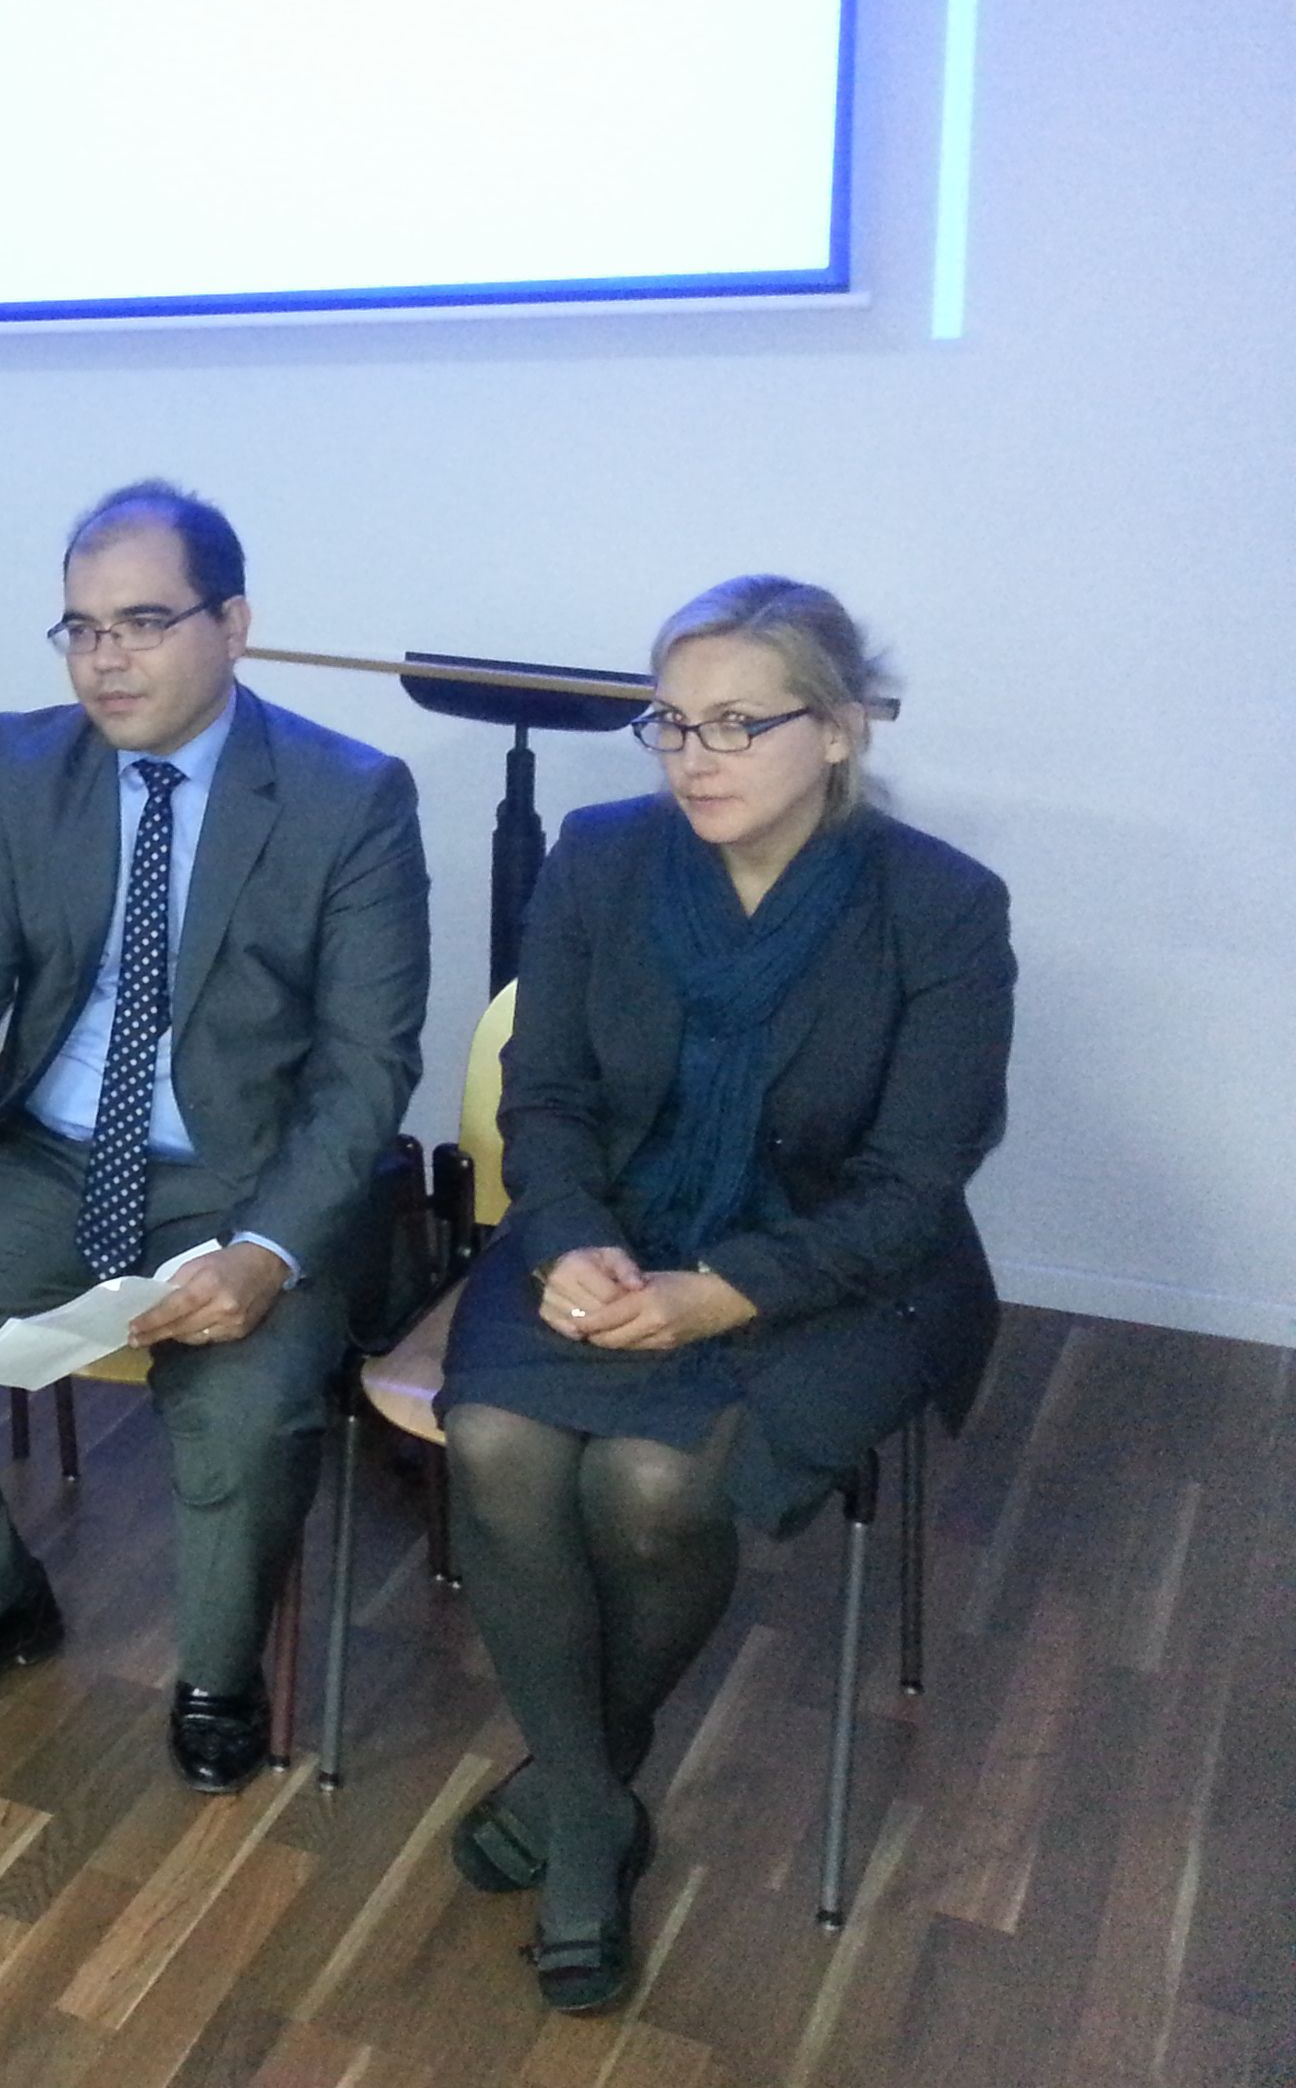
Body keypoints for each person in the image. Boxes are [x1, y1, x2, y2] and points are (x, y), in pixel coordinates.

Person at [0, 481, 428, 1790]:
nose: (106, 660)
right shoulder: (26, 765)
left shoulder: (348, 796)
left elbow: (366, 1072)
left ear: (233, 625)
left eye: (143, 622)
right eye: (82, 629)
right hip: (50, 1155)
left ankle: (218, 1676)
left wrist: (267, 1251)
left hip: (248, 1181)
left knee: (243, 1412)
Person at [436, 577, 1012, 2014]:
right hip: (614, 1232)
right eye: (673, 724)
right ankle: (593, 1809)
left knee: (648, 1483)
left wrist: (726, 1293)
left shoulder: (940, 906)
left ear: (840, 730)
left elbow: (913, 1187)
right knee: (496, 1441)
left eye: (739, 724)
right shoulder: (603, 857)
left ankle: (574, 1803)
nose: (696, 757)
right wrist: (567, 1238)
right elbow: (546, 1091)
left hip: (840, 1270)